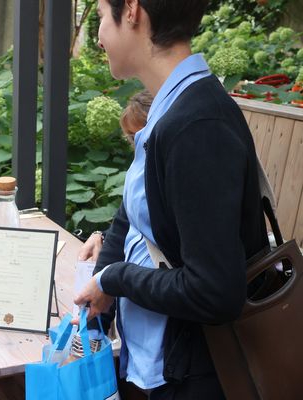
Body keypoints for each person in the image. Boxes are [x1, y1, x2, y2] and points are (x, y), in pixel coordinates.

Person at [74, 1, 268, 399]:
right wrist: (103, 290)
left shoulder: (197, 126)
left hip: (195, 378)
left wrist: (115, 278)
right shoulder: (172, 108)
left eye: (98, 19)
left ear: (131, 10)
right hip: (154, 367)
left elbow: (214, 292)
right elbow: (132, 214)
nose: (97, 36)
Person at [77, 89, 153, 262]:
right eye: (132, 138)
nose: (138, 144)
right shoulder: (139, 171)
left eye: (143, 136)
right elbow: (129, 224)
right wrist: (101, 236)